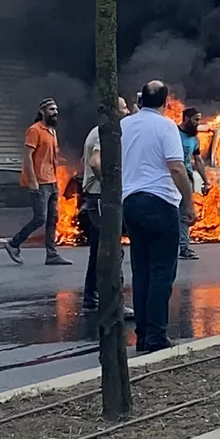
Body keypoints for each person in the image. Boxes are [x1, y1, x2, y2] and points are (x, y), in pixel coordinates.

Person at [121, 81, 197, 353]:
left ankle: (142, 335)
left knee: (141, 271)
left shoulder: (125, 125)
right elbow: (176, 168)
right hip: (161, 203)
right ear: (166, 102)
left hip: (130, 204)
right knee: (161, 272)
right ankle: (156, 335)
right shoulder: (165, 126)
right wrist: (189, 203)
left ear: (141, 100)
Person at [81, 96, 134, 318]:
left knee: (98, 252)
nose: (128, 112)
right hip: (101, 199)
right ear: (114, 112)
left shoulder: (97, 130)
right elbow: (95, 162)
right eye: (124, 108)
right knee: (113, 251)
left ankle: (90, 300)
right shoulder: (106, 132)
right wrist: (110, 188)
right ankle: (113, 304)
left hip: (94, 199)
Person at [5, 98, 71, 266]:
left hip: (52, 181)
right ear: (42, 112)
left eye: (56, 109)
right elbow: (27, 157)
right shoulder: (35, 130)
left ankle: (52, 254)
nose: (55, 112)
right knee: (40, 218)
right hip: (40, 182)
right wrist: (33, 181)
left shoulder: (52, 131)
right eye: (51, 109)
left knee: (53, 218)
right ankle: (14, 244)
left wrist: (57, 181)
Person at [178, 107, 211, 260]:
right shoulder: (174, 134)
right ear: (186, 119)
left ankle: (184, 247)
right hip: (171, 178)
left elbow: (198, 160)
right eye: (195, 120)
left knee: (185, 215)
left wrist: (207, 181)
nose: (198, 123)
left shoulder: (194, 139)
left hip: (187, 179)